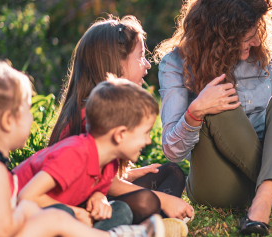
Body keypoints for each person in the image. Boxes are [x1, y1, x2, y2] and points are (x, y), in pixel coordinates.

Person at [153, 0, 272, 234]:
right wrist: (196, 111)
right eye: (248, 35)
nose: (257, 41)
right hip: (220, 185)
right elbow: (172, 151)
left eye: (258, 31)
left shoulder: (260, 55)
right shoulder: (175, 63)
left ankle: (266, 195)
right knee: (220, 100)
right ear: (221, 32)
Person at [0, 53, 164, 237]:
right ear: (8, 121)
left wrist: (97, 198)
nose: (31, 118)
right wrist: (27, 210)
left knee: (115, 211)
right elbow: (0, 230)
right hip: (31, 217)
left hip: (45, 216)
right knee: (56, 218)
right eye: (27, 109)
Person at [46, 15, 192, 223]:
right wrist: (164, 200)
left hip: (98, 194)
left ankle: (152, 221)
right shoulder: (91, 114)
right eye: (141, 56)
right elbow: (98, 184)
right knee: (148, 201)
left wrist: (129, 175)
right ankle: (145, 223)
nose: (147, 65)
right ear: (117, 64)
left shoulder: (105, 108)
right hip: (79, 206)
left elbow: (102, 176)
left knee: (172, 172)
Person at [15, 78, 166, 232]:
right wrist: (76, 212)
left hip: (63, 216)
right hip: (20, 216)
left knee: (121, 211)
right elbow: (26, 197)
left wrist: (98, 198)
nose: (148, 140)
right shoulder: (74, 154)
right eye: (145, 133)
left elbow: (93, 188)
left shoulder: (109, 163)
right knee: (65, 212)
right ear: (120, 134)